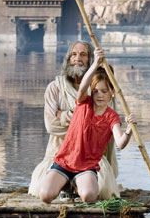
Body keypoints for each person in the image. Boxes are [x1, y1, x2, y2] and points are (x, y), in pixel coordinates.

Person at [39, 47, 136, 203]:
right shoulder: (84, 103)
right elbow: (83, 86)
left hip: (86, 165)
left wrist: (130, 130)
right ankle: (66, 185)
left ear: (111, 92)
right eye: (96, 91)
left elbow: (120, 143)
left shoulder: (111, 116)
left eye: (104, 91)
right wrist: (96, 62)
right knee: (45, 196)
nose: (100, 95)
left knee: (89, 196)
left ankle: (79, 185)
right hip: (65, 161)